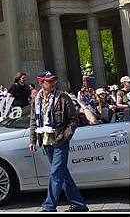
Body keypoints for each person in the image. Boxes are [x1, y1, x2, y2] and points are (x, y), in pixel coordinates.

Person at [28, 70, 88, 213]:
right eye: (49, 81)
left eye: (53, 80)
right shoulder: (37, 100)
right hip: (45, 140)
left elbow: (74, 121)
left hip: (60, 141)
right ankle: (78, 204)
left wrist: (64, 137)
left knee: (55, 173)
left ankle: (49, 207)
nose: (52, 83)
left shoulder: (62, 97)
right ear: (41, 83)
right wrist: (32, 140)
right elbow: (32, 121)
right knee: (62, 173)